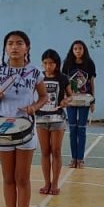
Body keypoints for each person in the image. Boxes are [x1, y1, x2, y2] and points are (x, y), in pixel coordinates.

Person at [0, 30, 48, 207]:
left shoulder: (34, 72)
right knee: (8, 178)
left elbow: (44, 96)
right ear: (6, 48)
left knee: (22, 178)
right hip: (3, 129)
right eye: (10, 43)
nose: (14, 47)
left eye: (19, 43)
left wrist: (34, 107)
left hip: (25, 128)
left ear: (27, 47)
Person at [36, 48, 70, 195]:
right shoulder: (38, 78)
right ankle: (46, 183)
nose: (48, 66)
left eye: (51, 63)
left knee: (56, 151)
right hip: (41, 118)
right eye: (45, 63)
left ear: (56, 64)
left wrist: (65, 101)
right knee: (44, 151)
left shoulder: (63, 78)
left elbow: (70, 95)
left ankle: (55, 183)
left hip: (57, 118)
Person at [62, 40, 96, 168]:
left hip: (85, 100)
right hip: (71, 100)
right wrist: (64, 99)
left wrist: (93, 100)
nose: (77, 51)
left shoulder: (89, 64)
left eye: (80, 48)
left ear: (84, 50)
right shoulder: (67, 64)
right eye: (75, 49)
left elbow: (92, 83)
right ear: (72, 50)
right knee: (72, 129)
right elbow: (63, 83)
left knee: (81, 129)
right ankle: (73, 158)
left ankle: (80, 159)